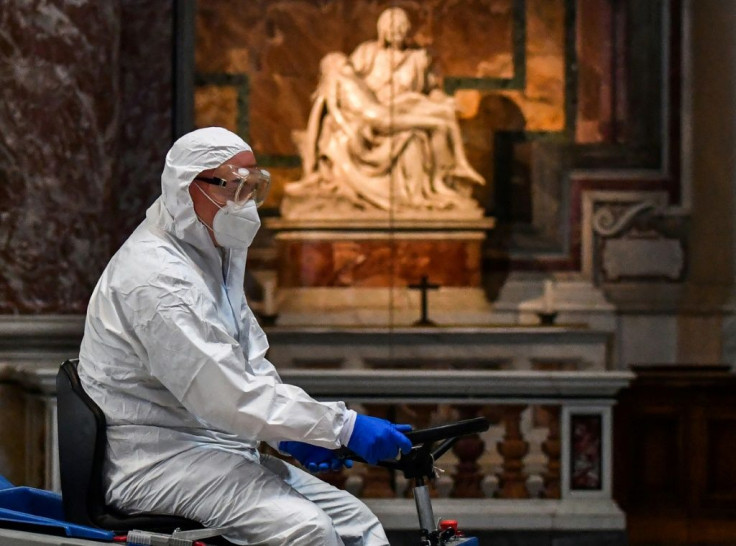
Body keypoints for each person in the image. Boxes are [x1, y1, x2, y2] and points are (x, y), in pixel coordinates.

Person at [78, 127, 412, 546]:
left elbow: (250, 368)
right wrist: (341, 428)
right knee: (306, 531)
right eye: (236, 187)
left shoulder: (211, 255)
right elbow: (225, 394)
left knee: (358, 524)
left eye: (254, 187)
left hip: (216, 450)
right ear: (188, 186)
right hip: (155, 463)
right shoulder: (156, 278)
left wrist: (292, 434)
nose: (247, 202)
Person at [282, 7, 484, 218]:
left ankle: (433, 188)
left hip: (404, 109)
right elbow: (340, 92)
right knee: (431, 125)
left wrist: (443, 101)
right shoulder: (366, 53)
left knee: (428, 128)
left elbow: (431, 90)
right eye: (391, 29)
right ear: (382, 30)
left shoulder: (418, 59)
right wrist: (344, 120)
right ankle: (441, 179)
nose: (396, 33)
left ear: (408, 31)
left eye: (401, 29)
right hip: (369, 119)